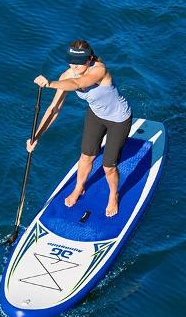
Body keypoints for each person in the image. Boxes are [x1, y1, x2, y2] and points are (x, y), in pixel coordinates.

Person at [28, 39, 132, 217]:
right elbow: (54, 109)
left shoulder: (99, 70)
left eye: (78, 62)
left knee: (109, 167)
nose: (74, 66)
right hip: (96, 115)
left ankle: (113, 194)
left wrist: (50, 84)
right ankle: (79, 188)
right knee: (86, 157)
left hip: (119, 119)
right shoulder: (66, 76)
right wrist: (35, 136)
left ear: (89, 59)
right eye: (71, 61)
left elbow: (78, 84)